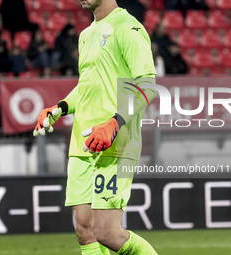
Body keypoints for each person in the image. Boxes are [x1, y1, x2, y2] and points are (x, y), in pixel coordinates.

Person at [33, 0, 158, 254]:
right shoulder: (86, 34)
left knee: (107, 233)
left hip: (114, 141)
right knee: (85, 232)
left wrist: (115, 122)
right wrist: (60, 108)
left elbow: (148, 86)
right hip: (82, 143)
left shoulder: (128, 27)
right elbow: (88, 85)